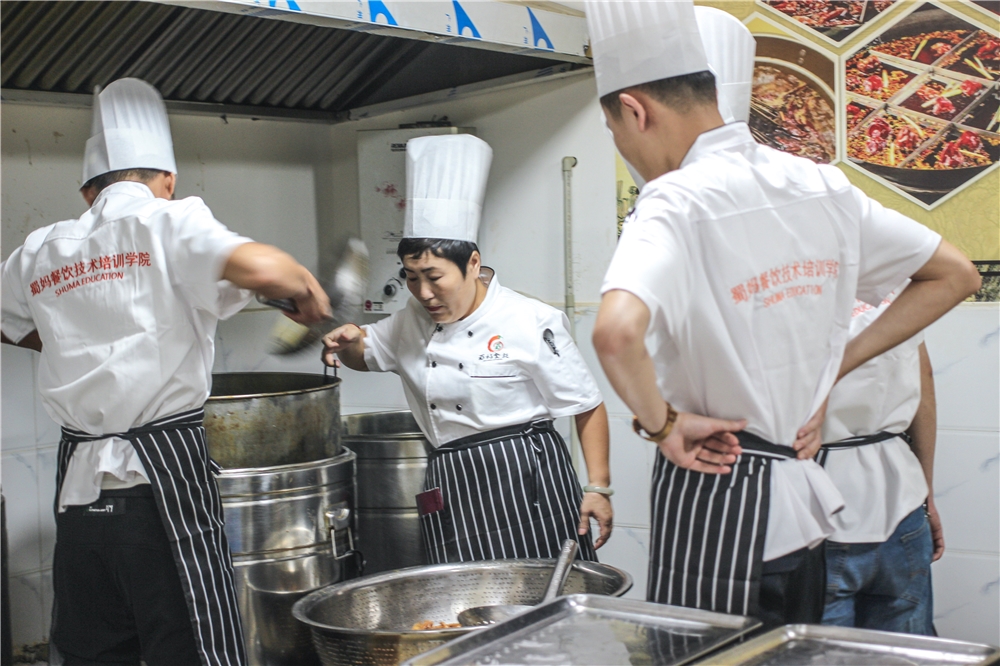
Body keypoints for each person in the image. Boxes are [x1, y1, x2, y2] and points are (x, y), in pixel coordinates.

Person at [586, 0, 980, 628]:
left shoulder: (672, 201)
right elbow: (955, 274)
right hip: (805, 512)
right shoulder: (821, 183)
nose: (628, 151)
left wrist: (662, 426)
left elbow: (614, 331)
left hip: (720, 493)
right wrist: (835, 365)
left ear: (635, 109)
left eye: (616, 134)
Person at [1, 78, 330, 666]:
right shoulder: (168, 222)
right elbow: (262, 266)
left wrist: (61, 342)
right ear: (167, 180)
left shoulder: (39, 250)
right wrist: (303, 288)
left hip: (78, 499)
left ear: (87, 191)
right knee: (195, 650)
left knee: (94, 655)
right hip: (162, 490)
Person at [322, 134, 615, 563]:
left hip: (524, 474)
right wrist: (348, 340)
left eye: (435, 276)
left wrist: (598, 487)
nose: (423, 291)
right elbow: (364, 355)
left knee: (545, 597)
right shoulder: (410, 320)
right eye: (411, 276)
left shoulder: (529, 320)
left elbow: (586, 404)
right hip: (450, 475)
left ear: (473, 264)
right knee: (461, 602)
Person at [818, 286, 943, 634]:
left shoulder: (785, 290)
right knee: (904, 653)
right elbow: (925, 384)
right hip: (902, 496)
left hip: (819, 504)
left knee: (823, 654)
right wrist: (926, 496)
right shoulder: (899, 284)